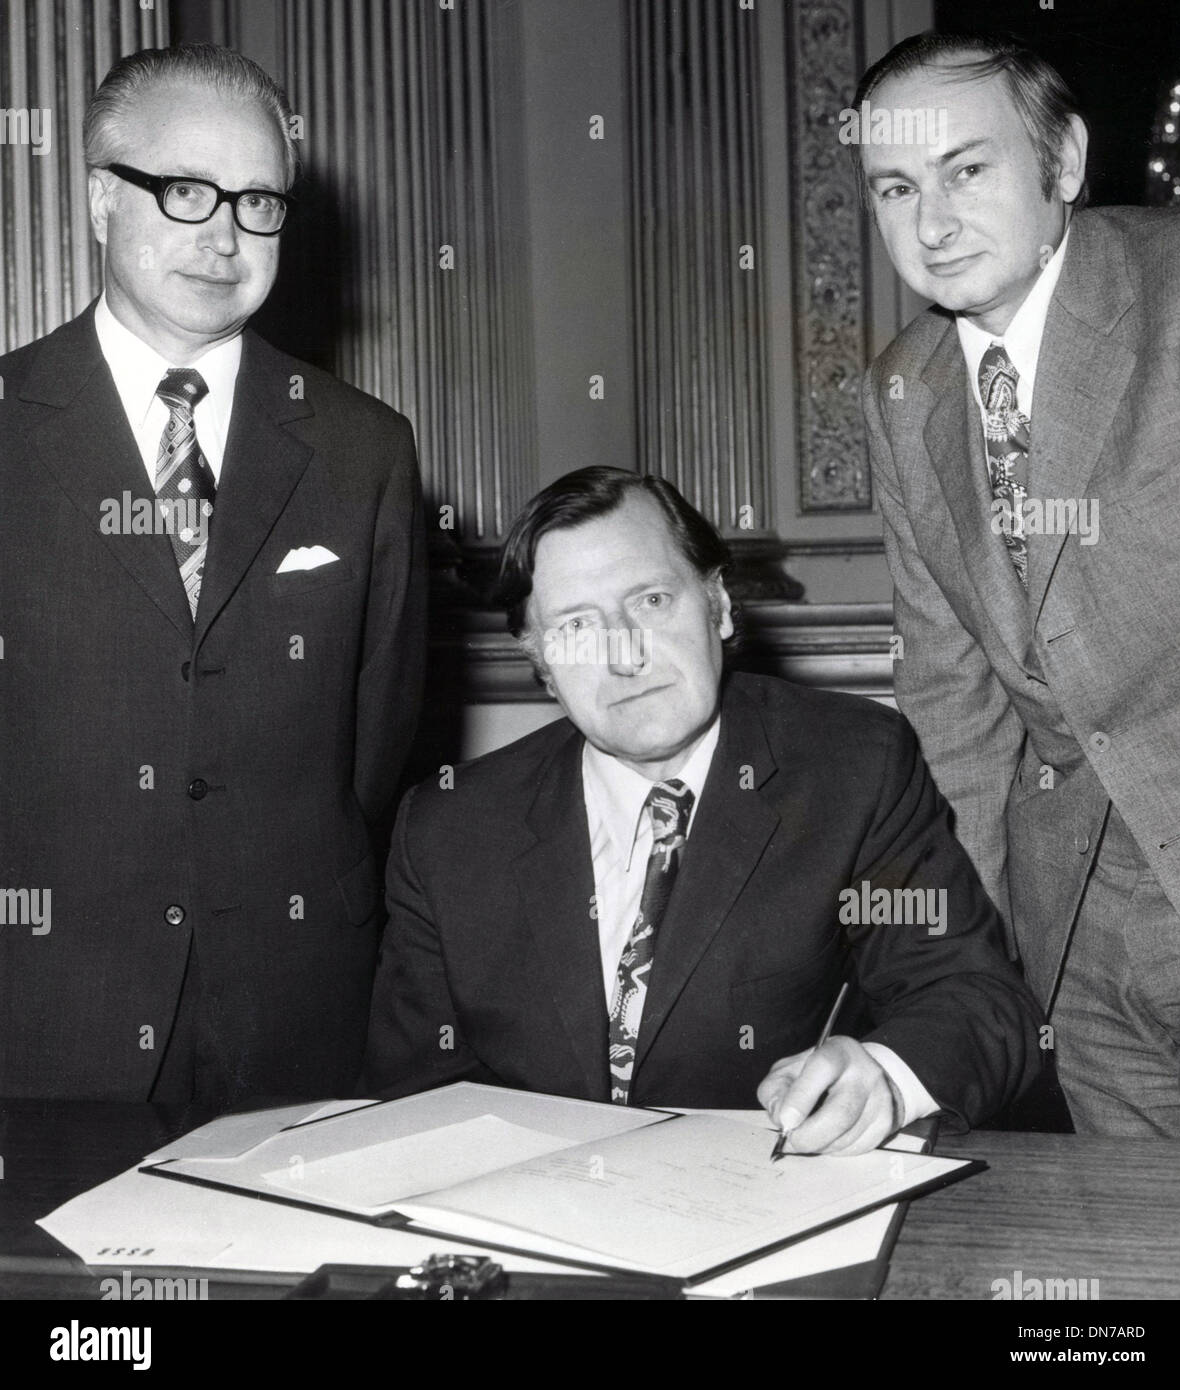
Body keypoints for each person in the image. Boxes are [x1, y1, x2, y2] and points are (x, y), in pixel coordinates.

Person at [362, 467, 1041, 1154]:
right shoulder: (450, 827)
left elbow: (973, 998)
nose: (623, 654)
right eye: (575, 627)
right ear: (539, 664)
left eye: (651, 600)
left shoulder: (850, 767)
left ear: (716, 606)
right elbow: (416, 1093)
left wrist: (887, 1078)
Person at [0, 45, 426, 1106]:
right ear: (101, 200)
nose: (225, 236)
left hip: (298, 1013)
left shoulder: (363, 447)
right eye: (186, 192)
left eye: (259, 203)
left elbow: (376, 748)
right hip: (42, 1014)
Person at [855, 31, 1180, 1134]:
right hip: (1078, 944)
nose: (933, 222)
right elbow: (953, 702)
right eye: (896, 187)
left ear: (1063, 160)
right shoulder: (903, 392)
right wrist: (972, 963)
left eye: (966, 170)